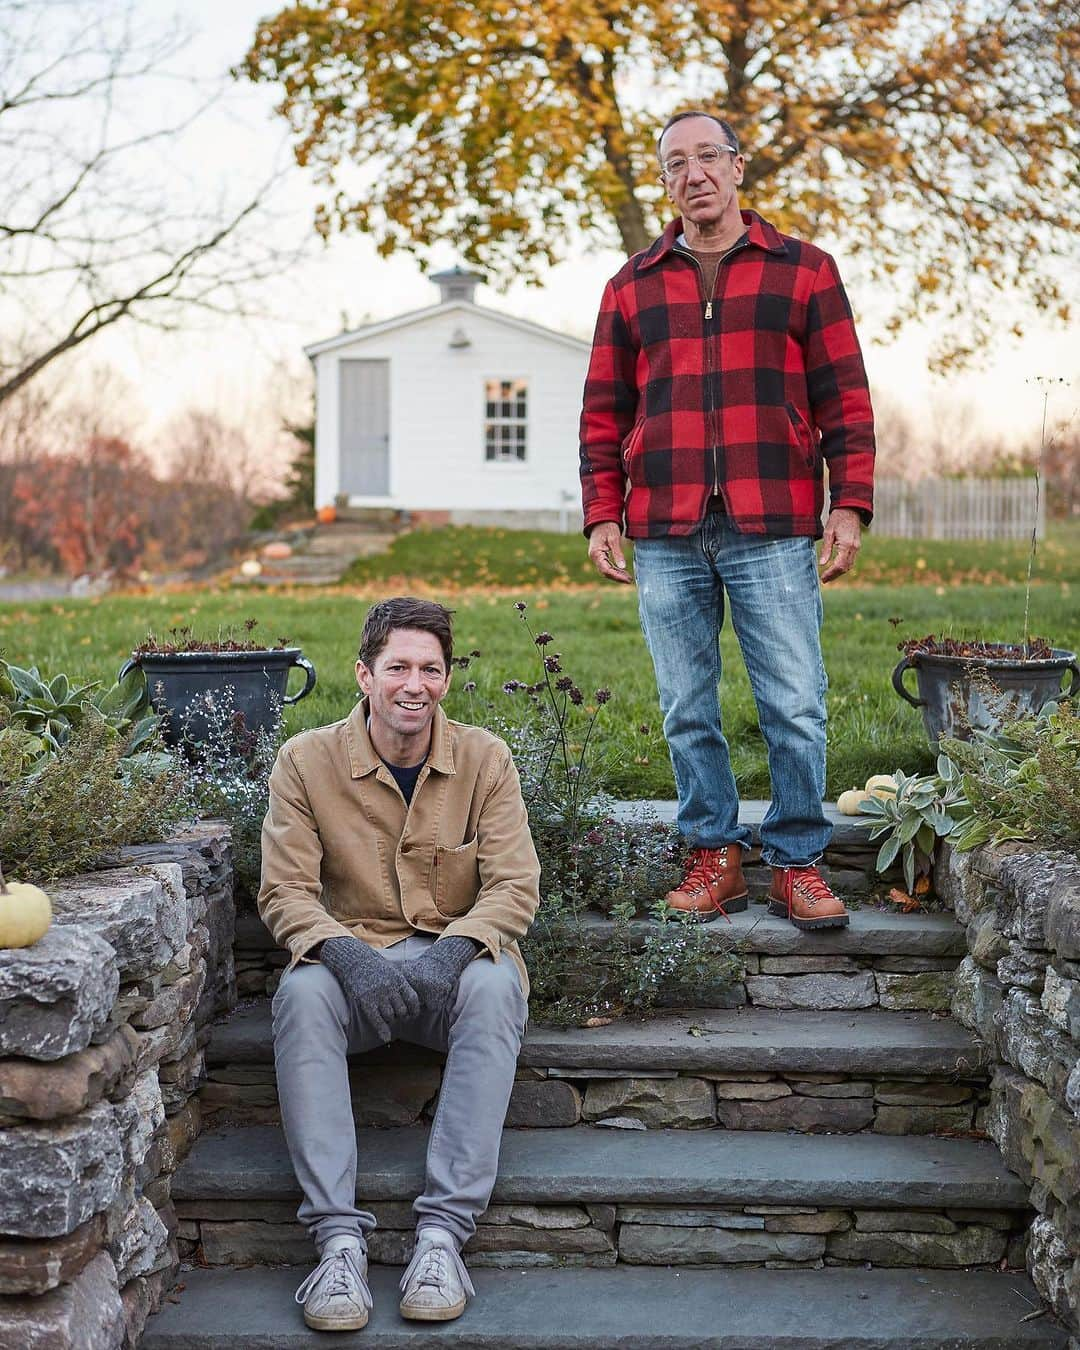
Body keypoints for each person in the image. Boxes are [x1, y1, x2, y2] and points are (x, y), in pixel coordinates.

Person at [580, 110, 875, 932]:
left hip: (772, 516)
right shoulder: (631, 285)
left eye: (708, 156)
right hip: (664, 523)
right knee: (685, 703)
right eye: (676, 163)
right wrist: (603, 512)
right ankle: (713, 854)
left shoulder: (804, 270)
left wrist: (847, 501)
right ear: (666, 181)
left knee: (793, 701)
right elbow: (603, 412)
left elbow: (844, 398)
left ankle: (799, 861)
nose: (694, 173)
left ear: (738, 167)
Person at [258, 596, 540, 1333]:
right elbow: (284, 892)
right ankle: (337, 1245)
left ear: (447, 677)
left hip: (452, 968)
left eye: (431, 669)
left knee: (491, 981)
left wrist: (454, 950)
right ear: (364, 674)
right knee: (302, 997)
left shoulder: (485, 759)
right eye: (398, 668)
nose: (415, 685)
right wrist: (345, 953)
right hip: (356, 969)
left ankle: (442, 1238)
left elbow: (515, 886)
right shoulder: (305, 761)